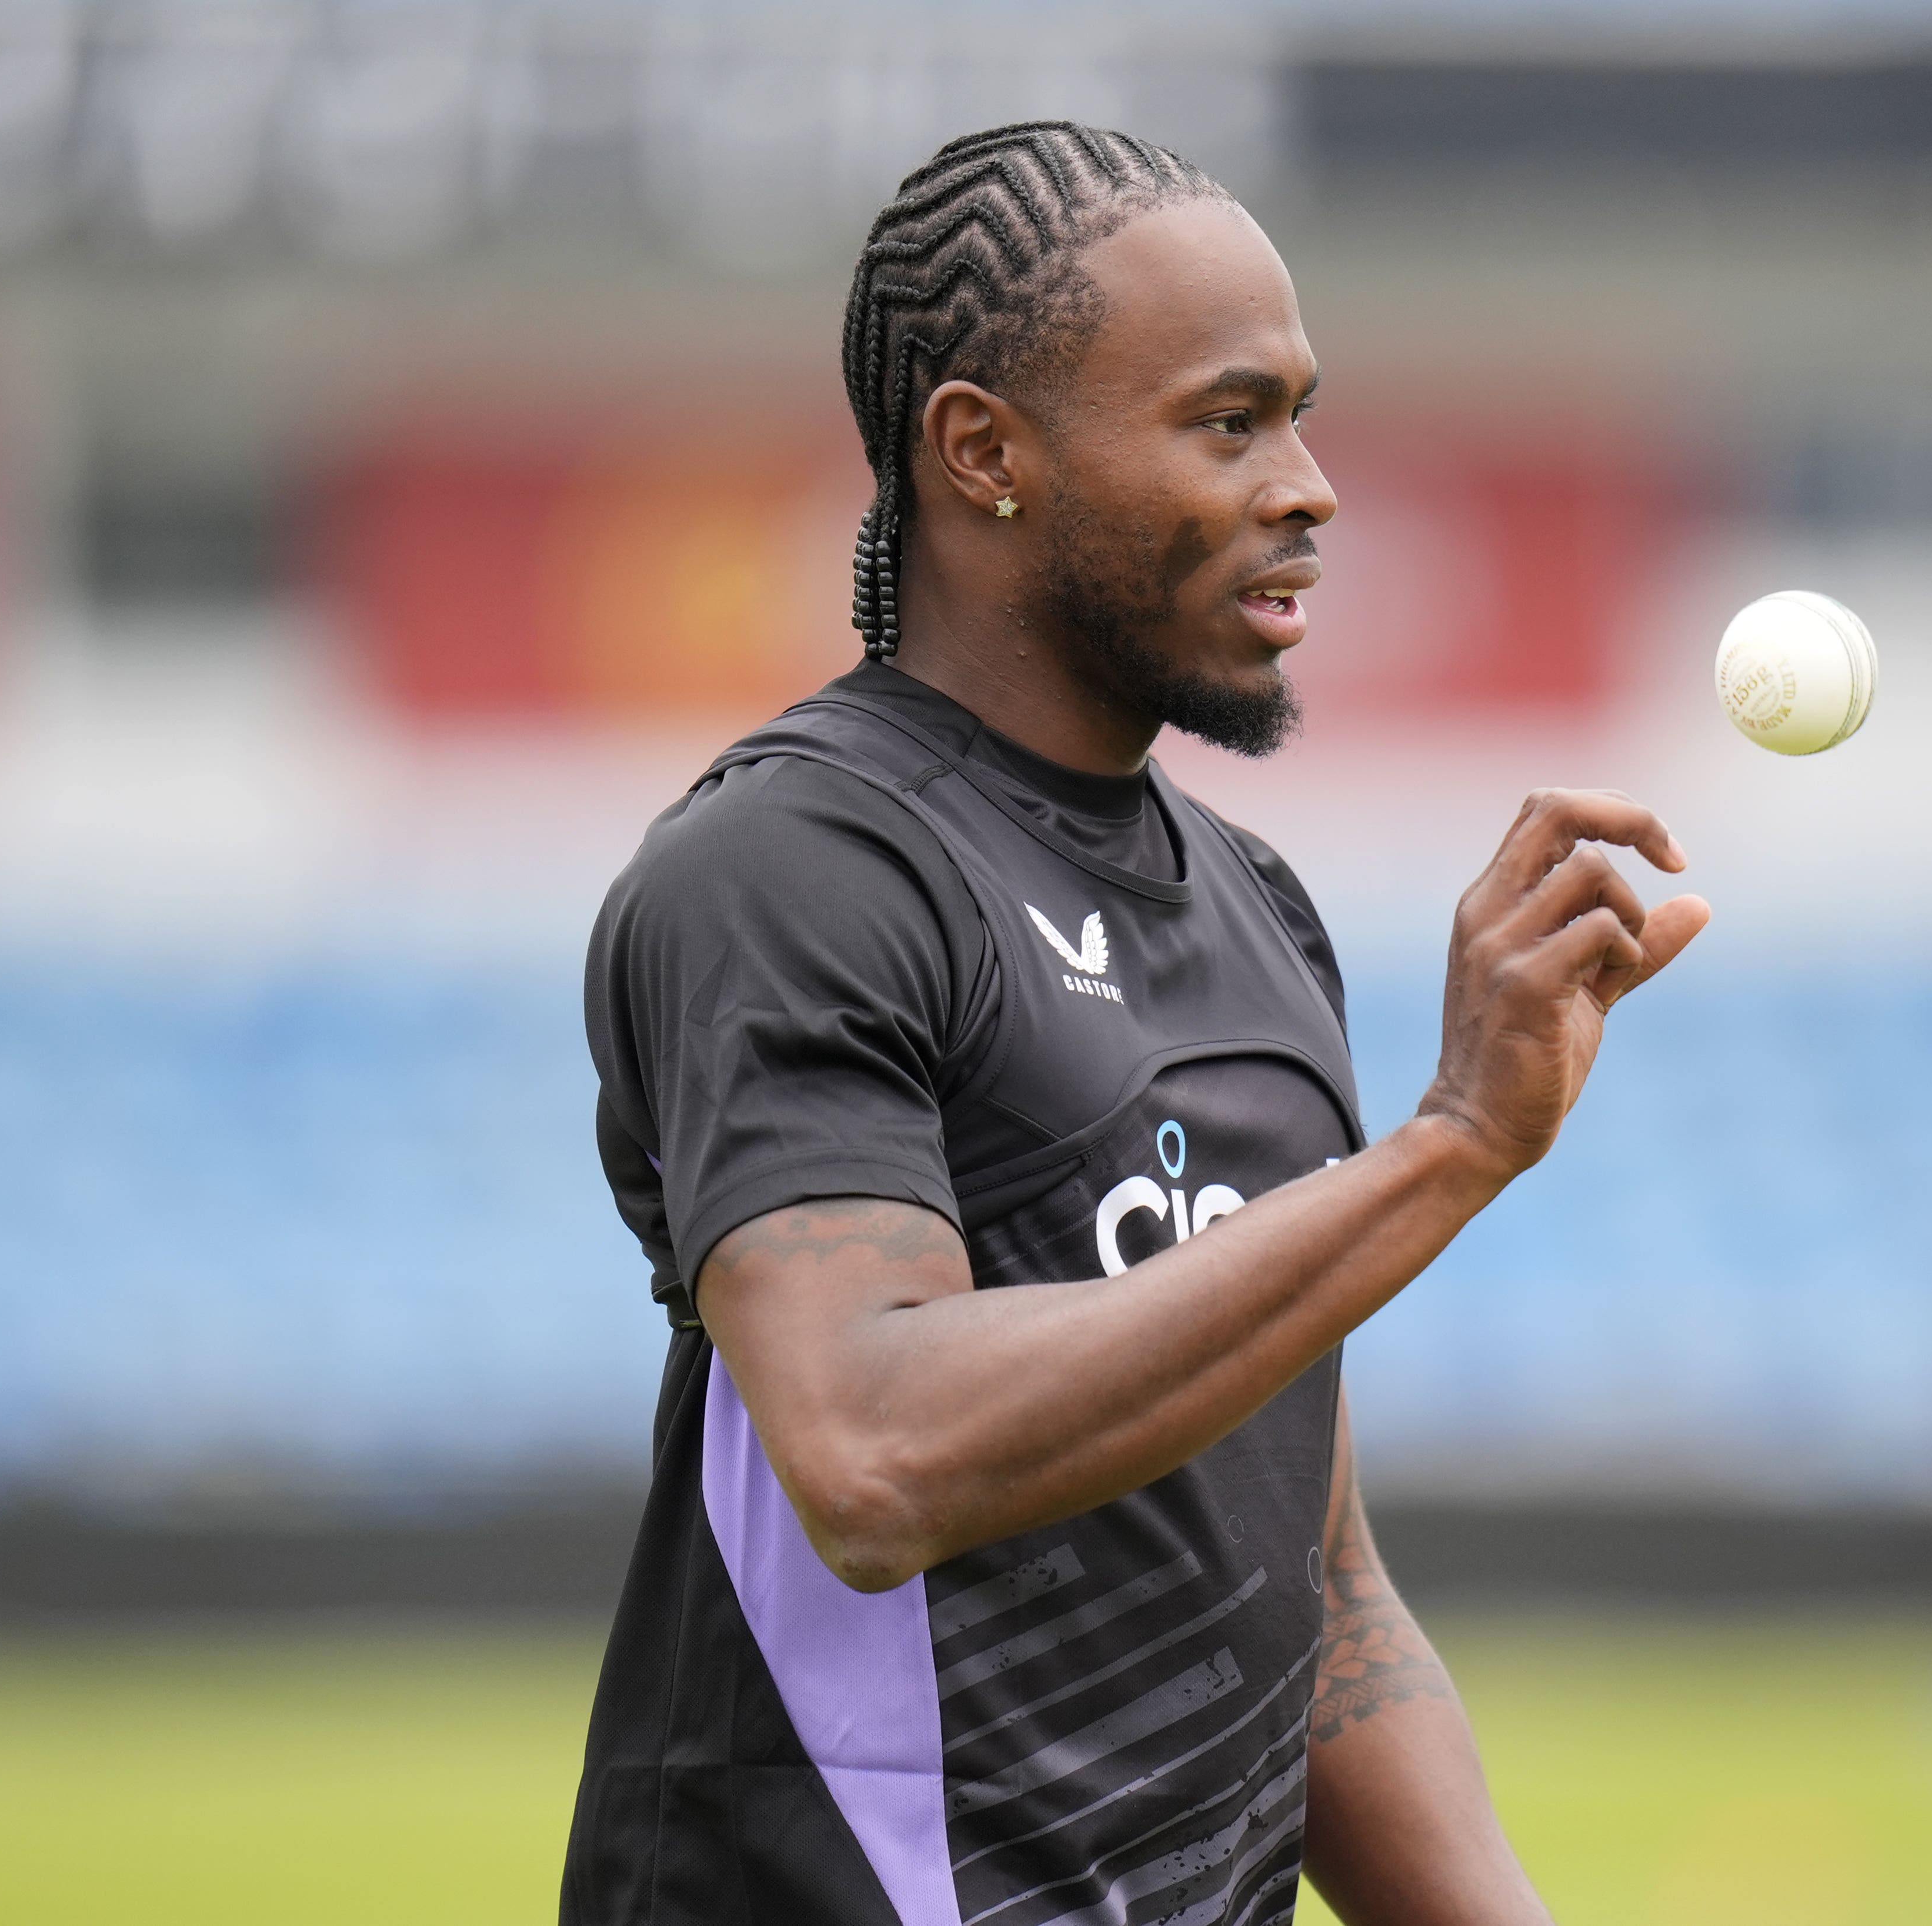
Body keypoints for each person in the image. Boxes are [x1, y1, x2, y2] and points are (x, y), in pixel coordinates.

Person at [562, 121, 1707, 1926]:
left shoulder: (1258, 917)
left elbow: (1314, 1599)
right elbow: (872, 1450)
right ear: (983, 452)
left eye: (1302, 417)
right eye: (1230, 421)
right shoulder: (793, 864)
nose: (1314, 485)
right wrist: (1452, 1146)